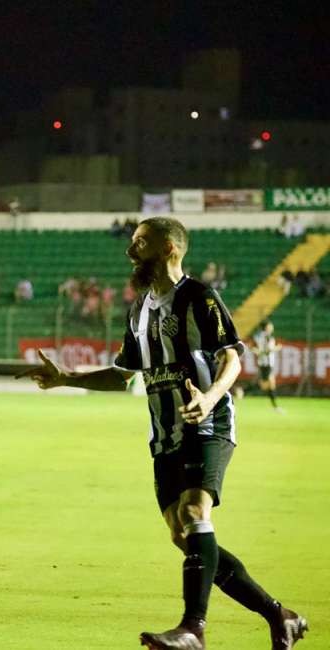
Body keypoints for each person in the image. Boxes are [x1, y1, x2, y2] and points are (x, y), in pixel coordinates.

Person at [19, 217, 307, 650]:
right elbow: (124, 375)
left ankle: (194, 628)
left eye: (140, 243)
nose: (130, 251)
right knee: (183, 534)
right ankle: (279, 615)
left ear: (170, 248)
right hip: (165, 434)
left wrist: (209, 398)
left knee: (195, 515)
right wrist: (66, 378)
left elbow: (232, 358)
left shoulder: (198, 296)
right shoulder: (139, 309)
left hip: (207, 422)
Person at [251, 320, 283, 413]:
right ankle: (242, 391)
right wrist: (277, 348)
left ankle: (275, 406)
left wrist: (258, 351)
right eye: (270, 325)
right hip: (267, 364)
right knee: (265, 386)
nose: (272, 327)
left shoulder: (258, 335)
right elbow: (268, 350)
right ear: (267, 327)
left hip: (263, 363)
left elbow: (253, 347)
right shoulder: (268, 336)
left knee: (270, 384)